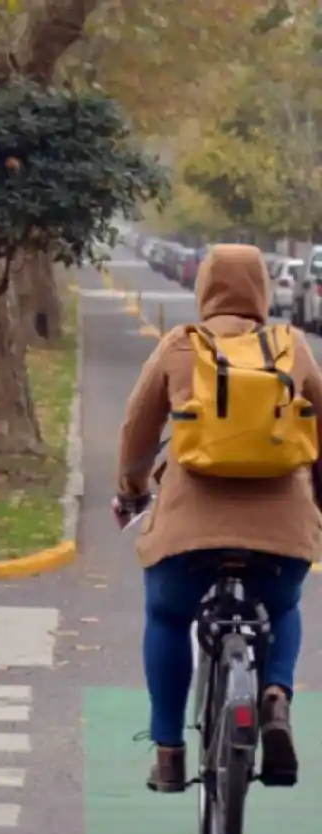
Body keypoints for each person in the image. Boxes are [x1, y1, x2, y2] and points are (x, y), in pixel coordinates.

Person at [113, 243, 322, 793]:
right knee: (283, 605)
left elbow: (137, 433)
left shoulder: (180, 346)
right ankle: (275, 694)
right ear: (262, 290)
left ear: (204, 288)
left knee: (167, 614)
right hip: (282, 529)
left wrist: (131, 490)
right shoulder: (292, 347)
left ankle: (168, 751)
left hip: (190, 531)